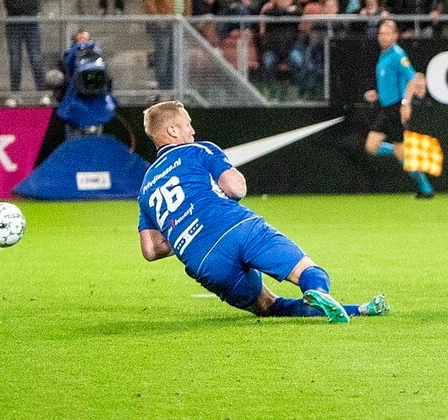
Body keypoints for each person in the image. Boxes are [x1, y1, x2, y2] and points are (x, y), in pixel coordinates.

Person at [137, 101, 390, 321]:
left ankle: (361, 309)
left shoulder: (146, 187)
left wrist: (186, 228)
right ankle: (318, 291)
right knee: (306, 271)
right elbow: (236, 188)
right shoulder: (198, 150)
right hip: (237, 228)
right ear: (172, 130)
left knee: (270, 306)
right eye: (187, 124)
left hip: (204, 261)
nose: (192, 130)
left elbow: (151, 250)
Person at [364, 20, 434, 198]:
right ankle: (404, 153)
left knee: (400, 153)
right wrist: (377, 94)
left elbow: (412, 78)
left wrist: (405, 103)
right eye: (380, 33)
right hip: (385, 108)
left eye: (387, 33)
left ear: (395, 35)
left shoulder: (397, 54)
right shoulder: (384, 54)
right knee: (371, 147)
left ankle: (425, 188)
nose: (383, 37)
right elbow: (390, 82)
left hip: (395, 108)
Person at [145, 0, 191, 92]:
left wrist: (186, 19)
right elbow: (150, 2)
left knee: (176, 57)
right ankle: (163, 88)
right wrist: (159, 19)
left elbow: (187, 3)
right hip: (163, 25)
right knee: (163, 56)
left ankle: (174, 87)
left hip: (178, 26)